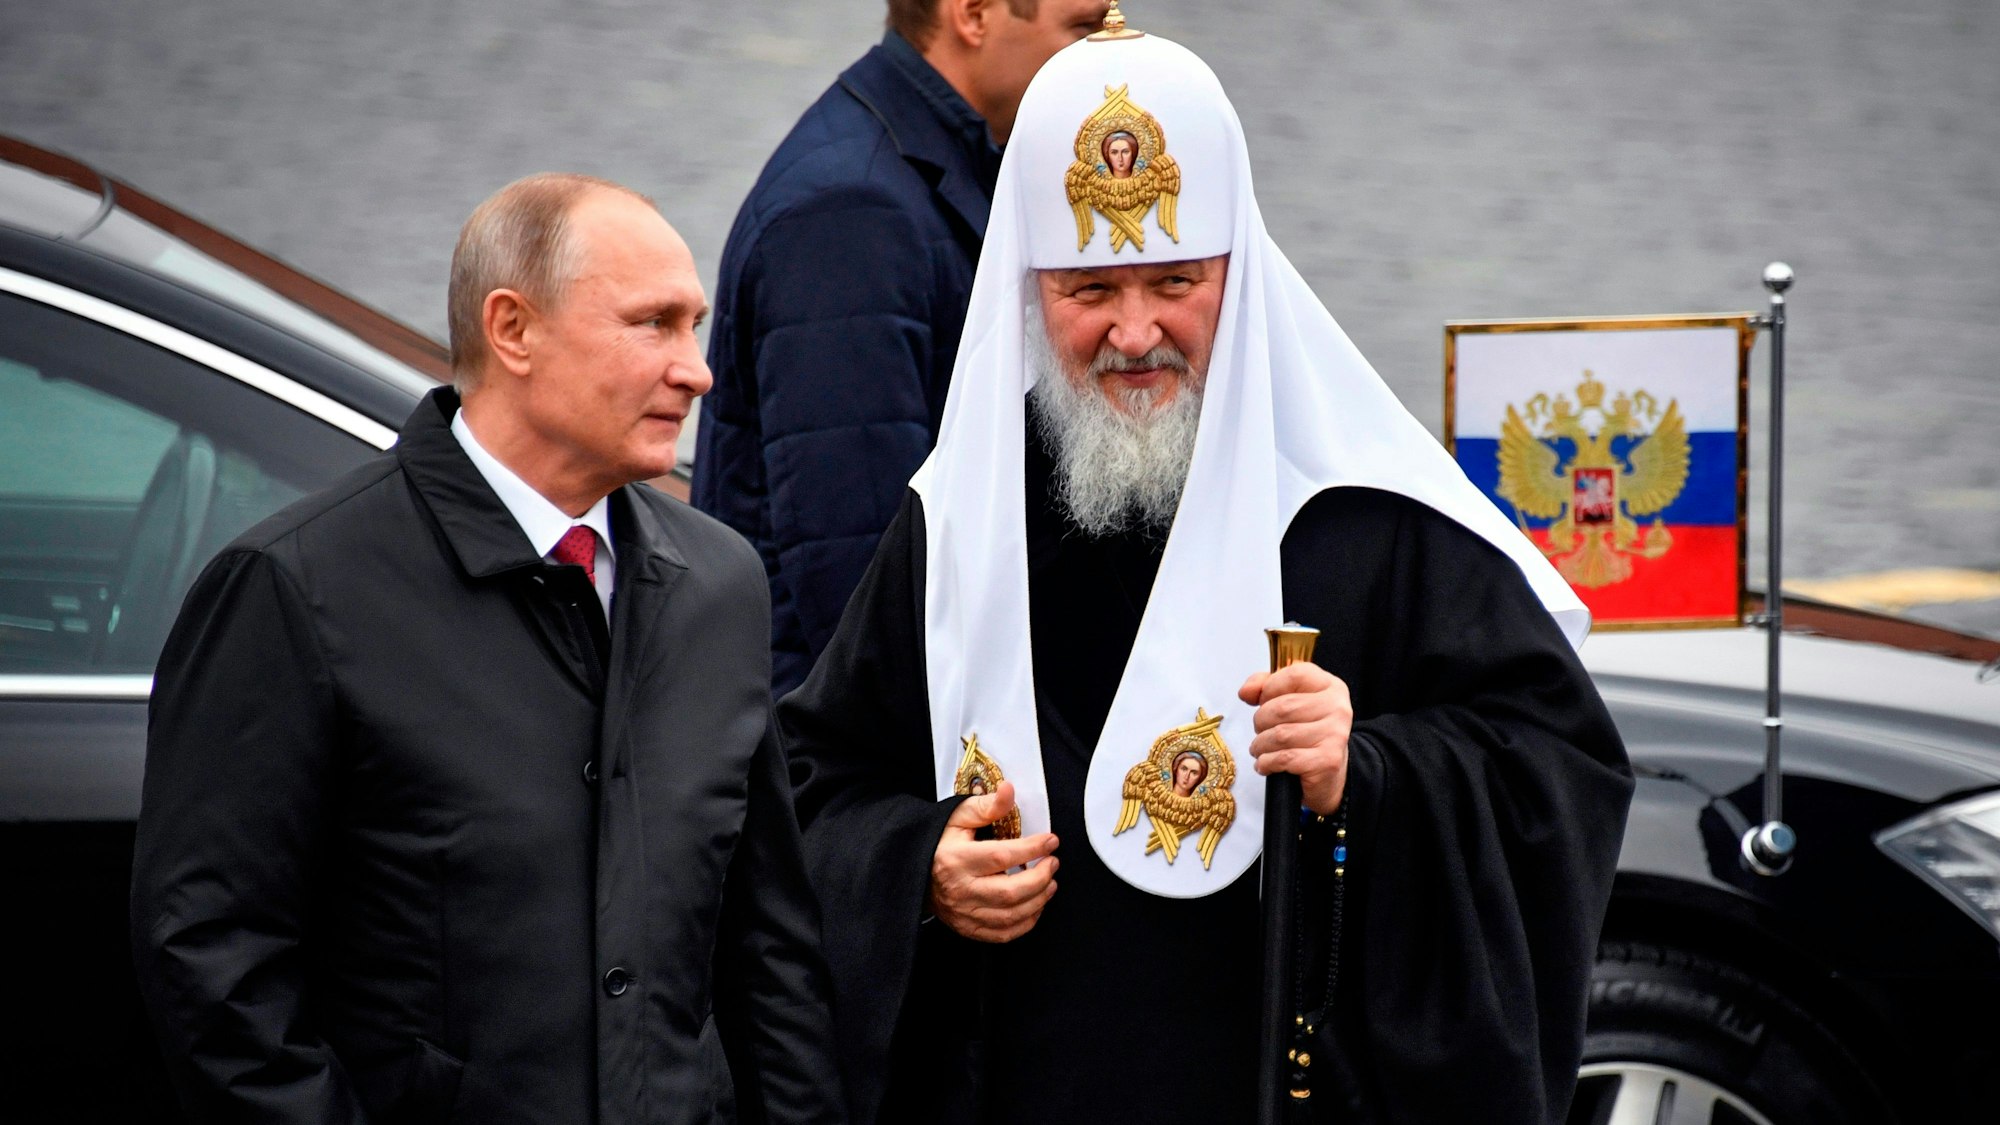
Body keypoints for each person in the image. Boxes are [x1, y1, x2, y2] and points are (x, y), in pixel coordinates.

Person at [780, 20, 1633, 1125]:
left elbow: (1556, 769)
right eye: (1088, 291)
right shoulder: (954, 523)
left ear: (1238, 266)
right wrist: (920, 872)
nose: (1135, 334)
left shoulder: (1362, 513)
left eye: (1174, 280)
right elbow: (815, 785)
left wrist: (1363, 771)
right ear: (1026, 289)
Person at [130, 174, 846, 1125]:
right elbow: (213, 964)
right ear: (513, 330)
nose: (697, 370)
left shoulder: (721, 584)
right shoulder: (294, 589)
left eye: (695, 327)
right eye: (652, 325)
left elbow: (770, 950)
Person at [694, 0, 1110, 694]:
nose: (1106, 60)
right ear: (973, 13)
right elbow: (859, 578)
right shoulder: (850, 213)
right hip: (828, 771)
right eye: (1084, 29)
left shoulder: (937, 168)